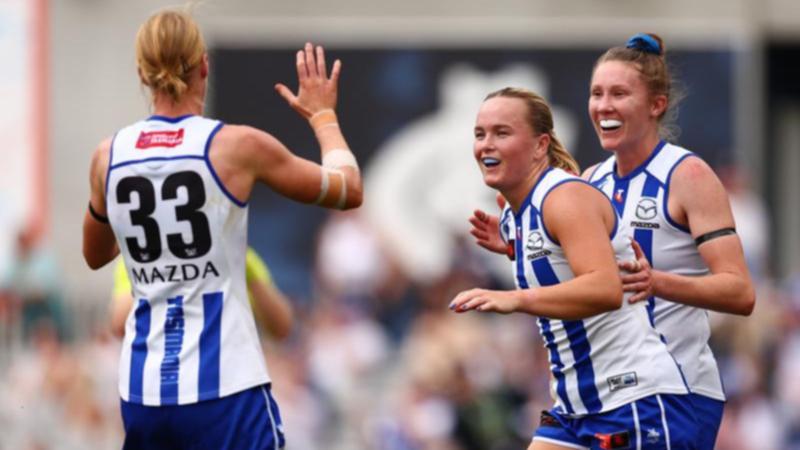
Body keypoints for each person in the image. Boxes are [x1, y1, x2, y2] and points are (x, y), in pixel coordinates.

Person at [81, 9, 362, 450]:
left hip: (144, 392)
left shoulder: (107, 155)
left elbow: (96, 254)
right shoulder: (236, 146)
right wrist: (323, 117)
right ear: (204, 66)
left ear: (142, 72)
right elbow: (348, 190)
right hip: (226, 388)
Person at [452, 87, 696, 449]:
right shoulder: (517, 211)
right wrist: (511, 247)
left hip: (632, 398)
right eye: (480, 134)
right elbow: (556, 258)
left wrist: (515, 299)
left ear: (540, 145)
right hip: (575, 408)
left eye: (502, 133)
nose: (486, 145)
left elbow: (605, 288)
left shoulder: (564, 197)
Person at [583, 33, 755, 449]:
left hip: (675, 393)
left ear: (656, 105)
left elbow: (741, 291)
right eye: (597, 93)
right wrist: (520, 248)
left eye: (619, 93)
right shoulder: (590, 181)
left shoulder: (688, 176)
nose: (604, 105)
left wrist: (657, 282)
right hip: (606, 392)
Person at [110, 247, 292, 340]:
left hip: (226, 379)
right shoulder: (143, 258)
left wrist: (245, 268)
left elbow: (282, 327)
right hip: (165, 377)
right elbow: (119, 324)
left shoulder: (235, 251)